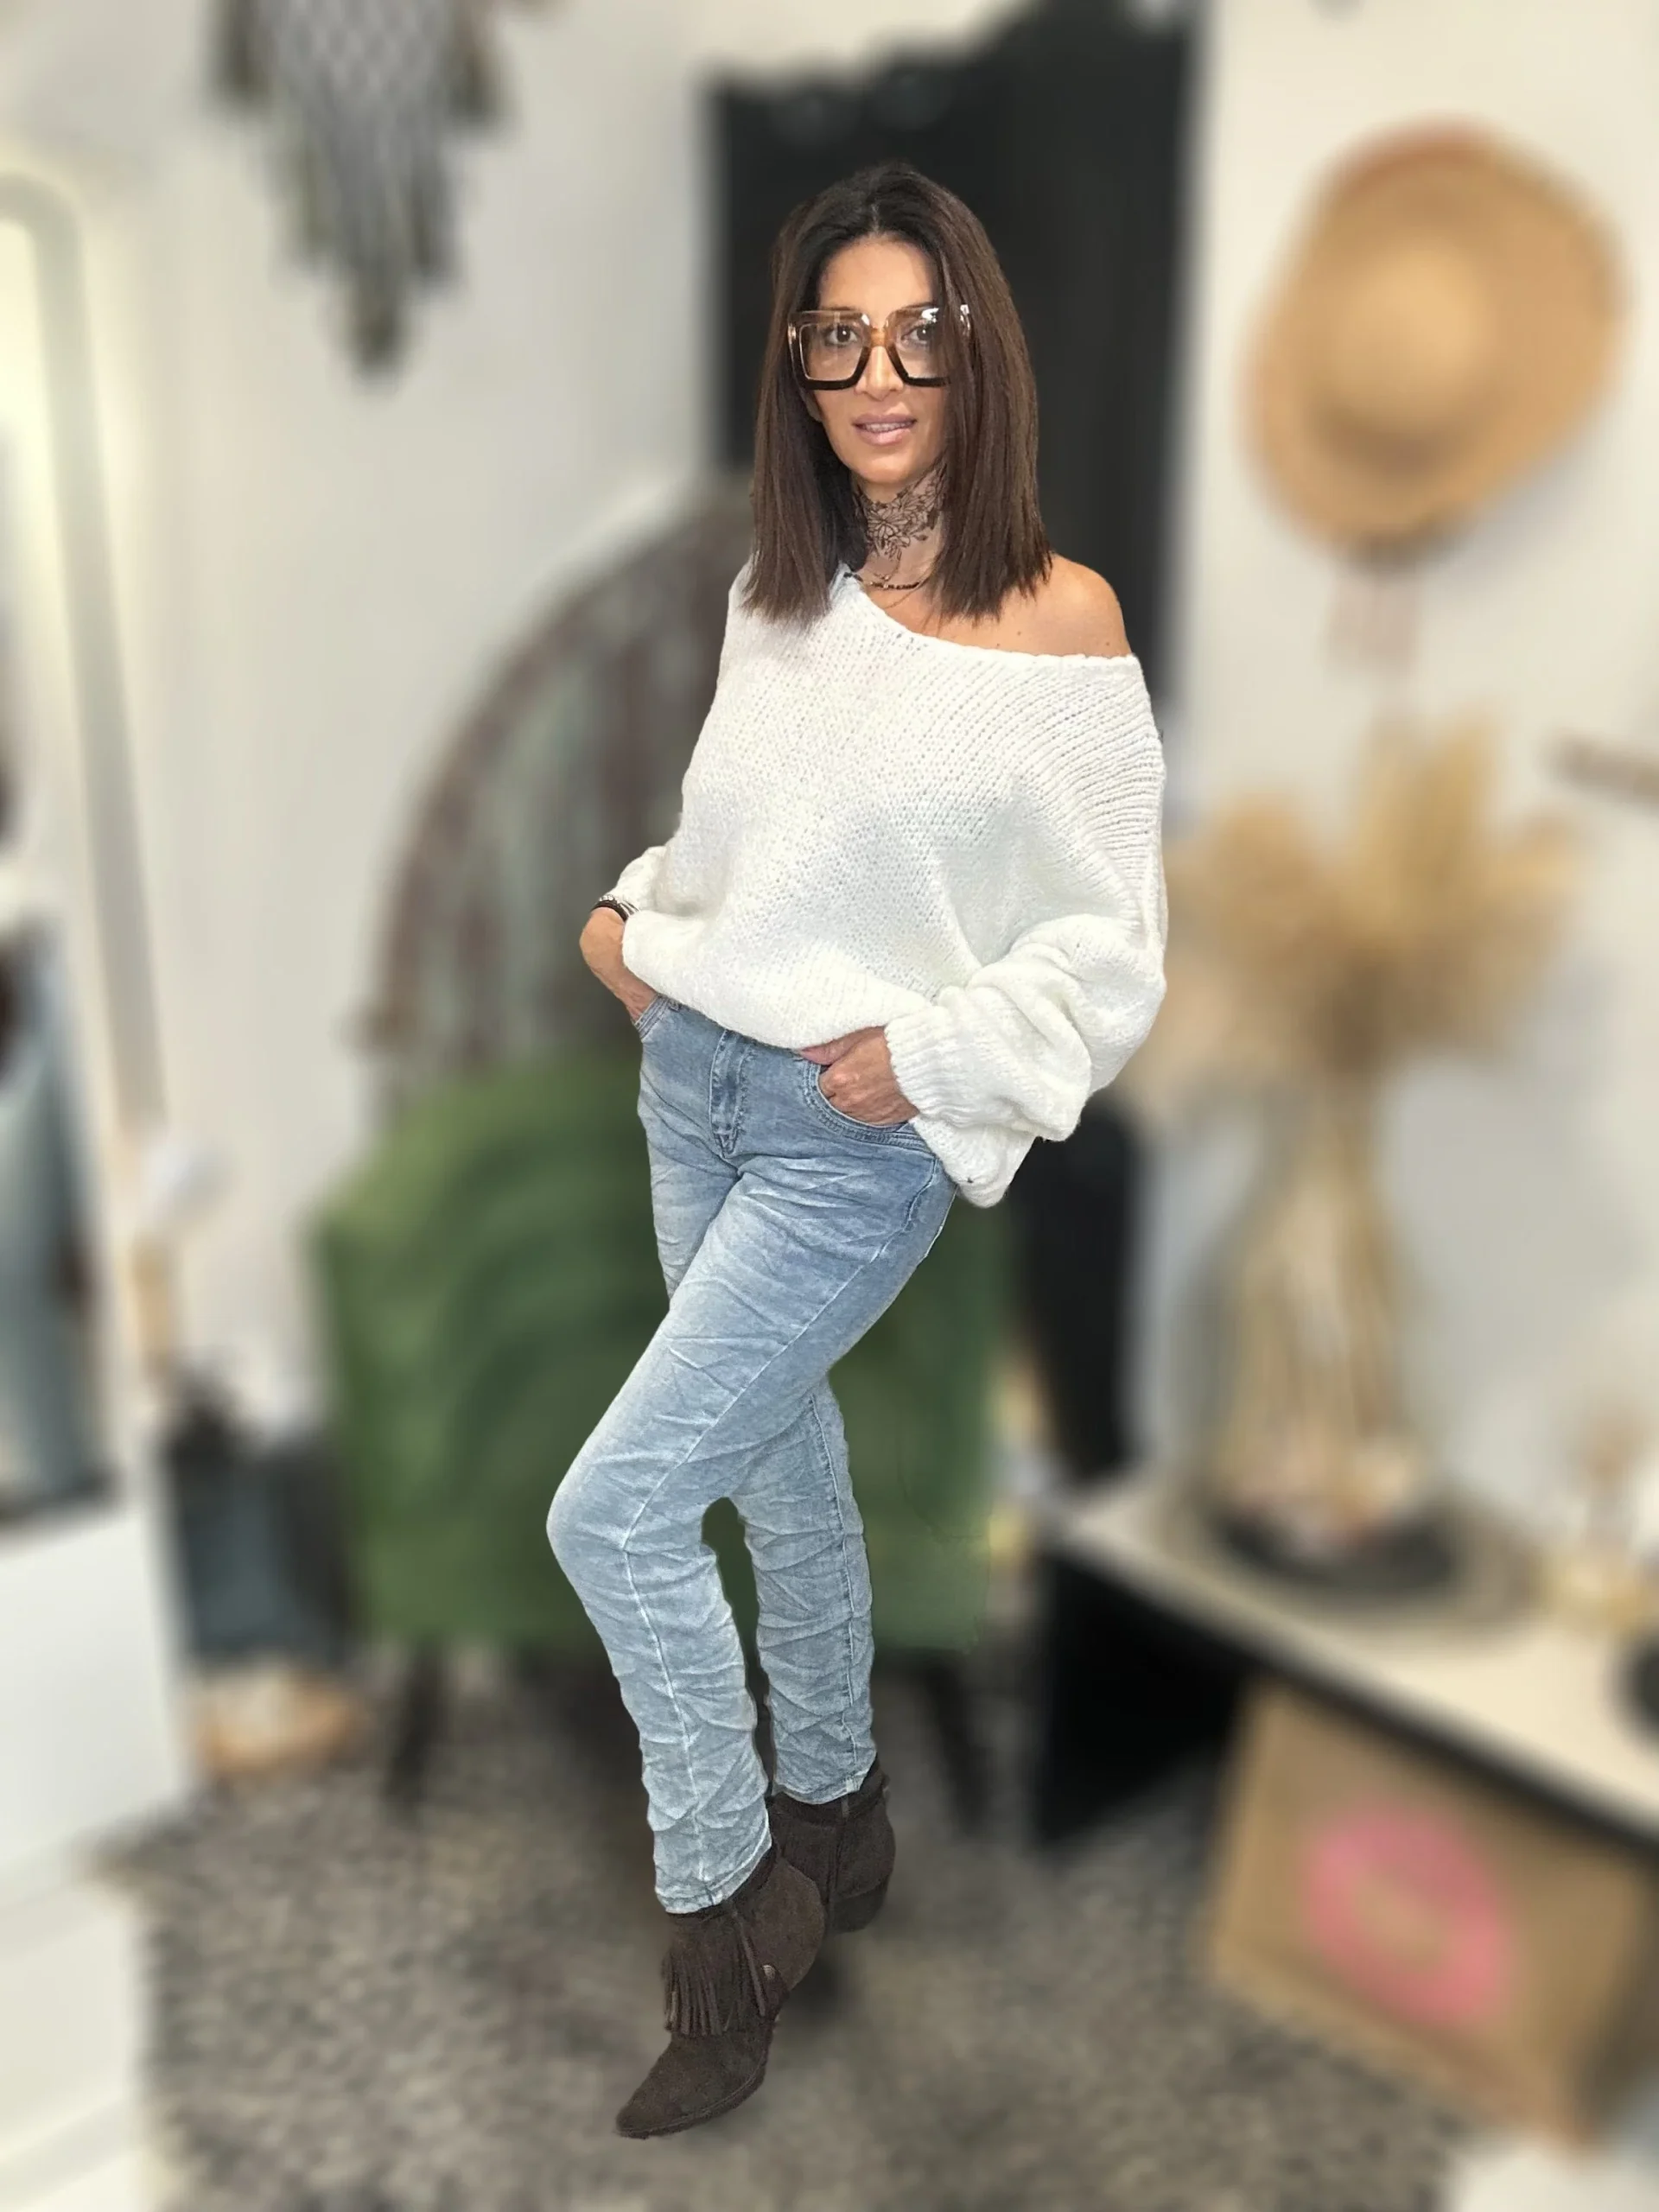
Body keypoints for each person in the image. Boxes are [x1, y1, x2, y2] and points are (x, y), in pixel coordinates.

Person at [550, 159, 1168, 2140]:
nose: (879, 374)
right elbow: (750, 853)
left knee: (616, 1511)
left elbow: (1110, 955)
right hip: (691, 1082)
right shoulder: (780, 595)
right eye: (840, 336)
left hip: (846, 1131)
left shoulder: (1061, 624)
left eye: (919, 332)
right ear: (800, 365)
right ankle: (841, 1807)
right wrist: (632, 923)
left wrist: (929, 1050)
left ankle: (728, 1922)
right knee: (781, 1472)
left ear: (978, 351)